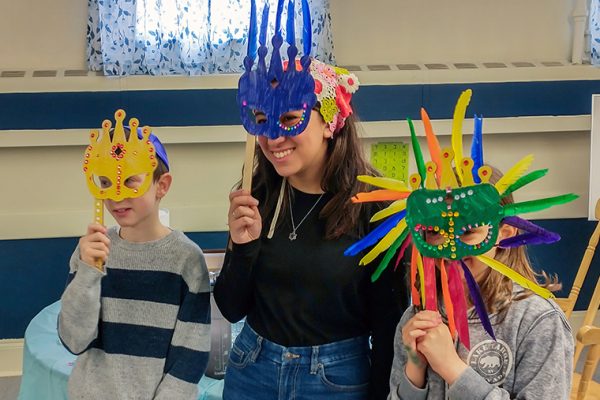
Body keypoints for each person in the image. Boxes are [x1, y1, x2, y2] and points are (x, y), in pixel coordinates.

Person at [213, 1, 408, 399]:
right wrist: (243, 250)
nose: (273, 139)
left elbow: (388, 326)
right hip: (253, 367)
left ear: (329, 124)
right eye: (263, 122)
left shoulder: (377, 205)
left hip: (335, 379)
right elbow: (231, 309)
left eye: (289, 120)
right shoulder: (258, 194)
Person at [58, 115, 211, 400]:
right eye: (105, 182)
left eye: (130, 181)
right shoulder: (90, 251)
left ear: (162, 185)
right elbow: (73, 340)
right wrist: (88, 272)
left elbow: (191, 354)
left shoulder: (186, 260)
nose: (116, 196)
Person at [389, 167, 574, 400]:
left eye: (467, 231)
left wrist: (452, 368)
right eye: (435, 231)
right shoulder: (416, 317)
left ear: (504, 234)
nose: (451, 251)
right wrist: (415, 368)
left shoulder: (537, 322)